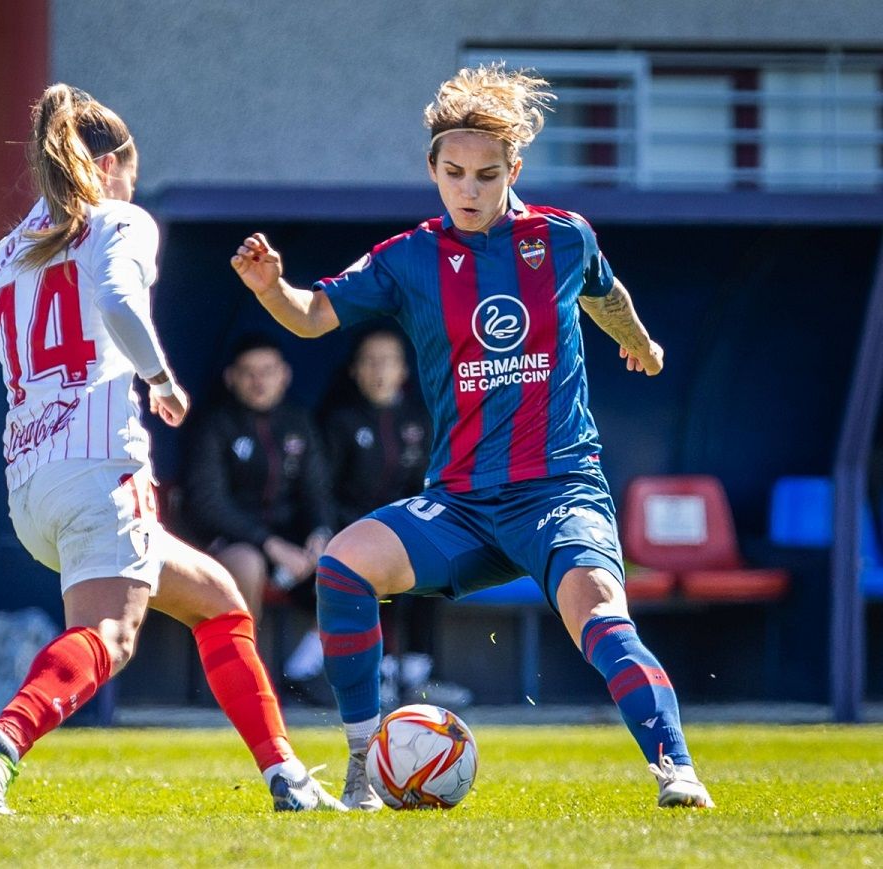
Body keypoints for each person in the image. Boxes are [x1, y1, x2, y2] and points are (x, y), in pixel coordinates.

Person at [230, 63, 714, 811]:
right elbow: (312, 315)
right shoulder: (409, 257)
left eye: (486, 175)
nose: (469, 189)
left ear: (512, 169)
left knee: (600, 611)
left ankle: (676, 769)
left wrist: (641, 343)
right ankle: (364, 763)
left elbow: (606, 294)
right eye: (453, 173)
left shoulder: (562, 238)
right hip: (459, 503)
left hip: (556, 491)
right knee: (343, 566)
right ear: (432, 170)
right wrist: (272, 291)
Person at [0, 84, 343, 814]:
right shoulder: (120, 221)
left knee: (220, 600)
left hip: (31, 490)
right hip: (101, 470)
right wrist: (161, 380)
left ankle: (287, 777)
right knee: (111, 633)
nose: (132, 186)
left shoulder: (8, 253)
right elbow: (114, 298)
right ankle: (3, 739)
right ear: (111, 164)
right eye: (131, 173)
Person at [322, 328, 472, 709]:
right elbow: (322, 491)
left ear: (403, 370)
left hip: (408, 529)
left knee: (438, 561)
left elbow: (435, 484)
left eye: (387, 361)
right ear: (354, 369)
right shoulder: (336, 420)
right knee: (374, 570)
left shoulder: (419, 420)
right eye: (370, 361)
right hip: (352, 533)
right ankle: (380, 671)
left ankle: (419, 676)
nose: (379, 370)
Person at [185, 335, 335, 700]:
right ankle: (241, 685)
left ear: (284, 375)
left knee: (348, 562)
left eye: (267, 372)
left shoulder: (298, 421)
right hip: (228, 544)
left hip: (290, 549)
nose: (259, 381)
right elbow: (208, 505)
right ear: (231, 378)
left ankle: (310, 672)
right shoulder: (215, 425)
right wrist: (270, 545)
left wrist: (320, 534)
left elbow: (318, 493)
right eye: (248, 373)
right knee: (249, 565)